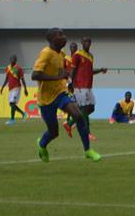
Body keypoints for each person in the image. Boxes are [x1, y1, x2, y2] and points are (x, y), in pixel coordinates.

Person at [31, 28, 101, 162]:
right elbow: (35, 75)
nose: (64, 37)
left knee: (78, 115)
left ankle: (87, 150)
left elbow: (62, 72)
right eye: (60, 35)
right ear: (52, 39)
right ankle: (42, 144)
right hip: (45, 99)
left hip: (60, 93)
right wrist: (57, 77)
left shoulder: (62, 54)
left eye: (63, 34)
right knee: (54, 132)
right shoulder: (46, 53)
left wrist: (68, 82)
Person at [66, 38, 107, 141]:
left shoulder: (91, 56)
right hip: (79, 86)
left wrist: (100, 70)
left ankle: (70, 123)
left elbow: (90, 71)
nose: (87, 43)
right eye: (85, 42)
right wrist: (70, 83)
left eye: (89, 42)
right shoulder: (77, 55)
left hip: (88, 86)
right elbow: (73, 70)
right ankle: (87, 133)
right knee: (85, 108)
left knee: (91, 108)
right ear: (82, 43)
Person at [0, 54, 29, 125]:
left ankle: (12, 120)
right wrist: (2, 87)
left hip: (17, 87)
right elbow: (7, 79)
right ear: (10, 60)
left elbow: (22, 79)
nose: (12, 60)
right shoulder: (8, 68)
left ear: (16, 60)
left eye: (14, 59)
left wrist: (25, 89)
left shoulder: (19, 68)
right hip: (10, 88)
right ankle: (23, 114)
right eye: (11, 59)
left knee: (12, 103)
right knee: (11, 104)